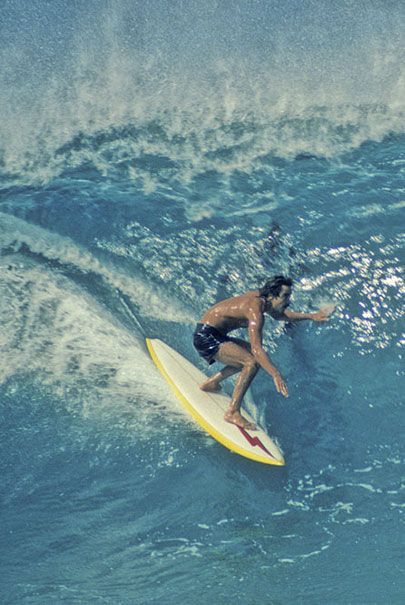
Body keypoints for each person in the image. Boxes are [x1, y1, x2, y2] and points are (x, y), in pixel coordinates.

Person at [193, 275, 335, 430]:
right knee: (251, 362)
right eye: (285, 296)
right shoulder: (255, 310)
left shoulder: (264, 301)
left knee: (251, 358)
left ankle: (211, 383)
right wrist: (275, 373)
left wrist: (312, 316)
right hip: (206, 336)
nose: (288, 301)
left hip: (215, 334)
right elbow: (257, 348)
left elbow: (281, 315)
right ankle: (232, 412)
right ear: (273, 296)